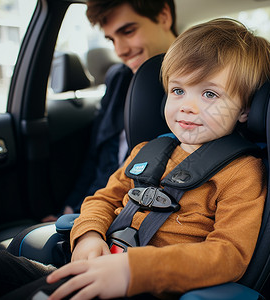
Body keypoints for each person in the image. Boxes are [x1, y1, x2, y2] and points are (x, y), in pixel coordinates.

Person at [0, 18, 270, 299]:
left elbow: (229, 255)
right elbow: (102, 199)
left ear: (245, 110)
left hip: (147, 287)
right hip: (97, 267)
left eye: (209, 94)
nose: (187, 106)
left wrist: (132, 270)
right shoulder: (147, 151)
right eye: (178, 90)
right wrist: (88, 235)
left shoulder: (242, 172)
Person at [43, 0, 178, 221]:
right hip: (93, 208)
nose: (120, 50)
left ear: (163, 16)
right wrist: (70, 210)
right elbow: (97, 154)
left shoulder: (200, 85)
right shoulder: (119, 78)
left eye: (128, 31)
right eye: (112, 39)